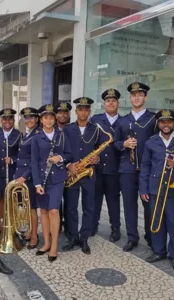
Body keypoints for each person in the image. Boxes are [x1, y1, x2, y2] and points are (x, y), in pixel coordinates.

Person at [139, 109, 174, 271]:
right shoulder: (151, 142)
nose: (166, 125)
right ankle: (159, 251)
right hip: (155, 188)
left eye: (169, 122)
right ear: (158, 123)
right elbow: (145, 166)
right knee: (156, 221)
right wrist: (143, 188)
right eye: (162, 122)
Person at [113, 82, 156, 252]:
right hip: (127, 169)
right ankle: (132, 237)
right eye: (134, 95)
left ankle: (151, 236)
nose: (137, 97)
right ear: (130, 98)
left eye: (140, 95)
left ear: (145, 97)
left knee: (149, 206)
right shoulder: (123, 121)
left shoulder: (153, 119)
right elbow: (115, 144)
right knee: (129, 205)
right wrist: (124, 143)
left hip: (148, 171)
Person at [63, 97, 108, 255]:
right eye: (80, 109)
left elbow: (100, 149)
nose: (83, 112)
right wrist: (69, 165)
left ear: (89, 112)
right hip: (73, 173)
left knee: (89, 208)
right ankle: (73, 236)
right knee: (71, 207)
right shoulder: (67, 129)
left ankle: (84, 238)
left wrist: (97, 159)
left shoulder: (96, 129)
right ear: (76, 111)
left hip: (89, 174)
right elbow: (62, 150)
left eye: (86, 109)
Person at [31, 104, 72, 261]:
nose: (48, 120)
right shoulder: (36, 138)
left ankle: (54, 245)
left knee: (54, 211)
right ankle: (46, 242)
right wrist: (36, 183)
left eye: (51, 117)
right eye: (45, 117)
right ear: (41, 120)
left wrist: (59, 158)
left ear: (55, 119)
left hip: (57, 179)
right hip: (42, 180)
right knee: (44, 212)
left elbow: (69, 154)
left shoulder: (61, 135)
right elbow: (34, 162)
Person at [91, 89, 122, 242]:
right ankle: (93, 225)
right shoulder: (95, 120)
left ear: (118, 103)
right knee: (95, 199)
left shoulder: (123, 121)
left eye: (113, 100)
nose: (111, 103)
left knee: (113, 200)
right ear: (104, 103)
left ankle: (115, 228)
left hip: (114, 168)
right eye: (108, 100)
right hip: (97, 168)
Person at [0, 108, 21, 235]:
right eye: (5, 119)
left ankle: (13, 223)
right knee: (0, 198)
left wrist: (13, 160)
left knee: (12, 199)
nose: (7, 121)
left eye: (10, 119)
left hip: (13, 172)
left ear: (13, 120)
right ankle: (0, 223)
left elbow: (22, 153)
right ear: (1, 120)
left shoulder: (19, 134)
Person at [14, 107, 41, 249]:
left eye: (31, 117)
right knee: (27, 206)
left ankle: (35, 236)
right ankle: (30, 231)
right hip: (22, 175)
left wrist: (24, 176)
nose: (29, 120)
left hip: (29, 177)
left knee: (32, 208)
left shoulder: (37, 134)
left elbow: (35, 160)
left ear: (37, 119)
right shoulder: (28, 133)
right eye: (26, 118)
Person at [55, 102, 72, 235]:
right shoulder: (51, 129)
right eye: (60, 112)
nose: (63, 115)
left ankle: (69, 225)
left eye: (65, 112)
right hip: (56, 170)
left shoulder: (72, 129)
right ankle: (57, 223)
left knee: (70, 198)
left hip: (71, 169)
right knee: (56, 199)